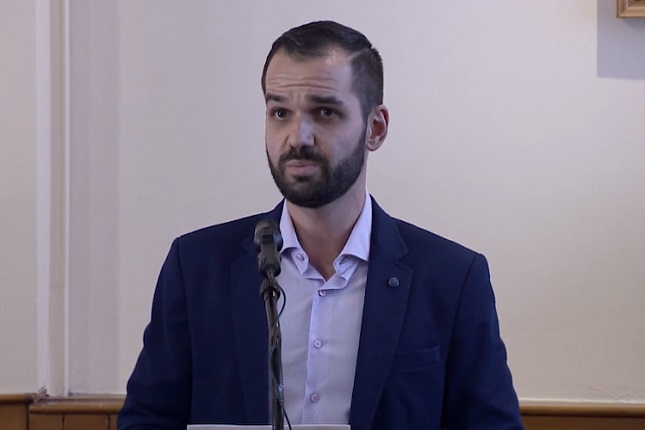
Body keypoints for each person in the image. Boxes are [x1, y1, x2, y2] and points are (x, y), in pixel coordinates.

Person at [118, 20, 524, 430]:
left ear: (375, 128)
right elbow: (147, 421)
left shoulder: (452, 279)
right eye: (280, 112)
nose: (298, 137)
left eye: (325, 112)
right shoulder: (197, 267)